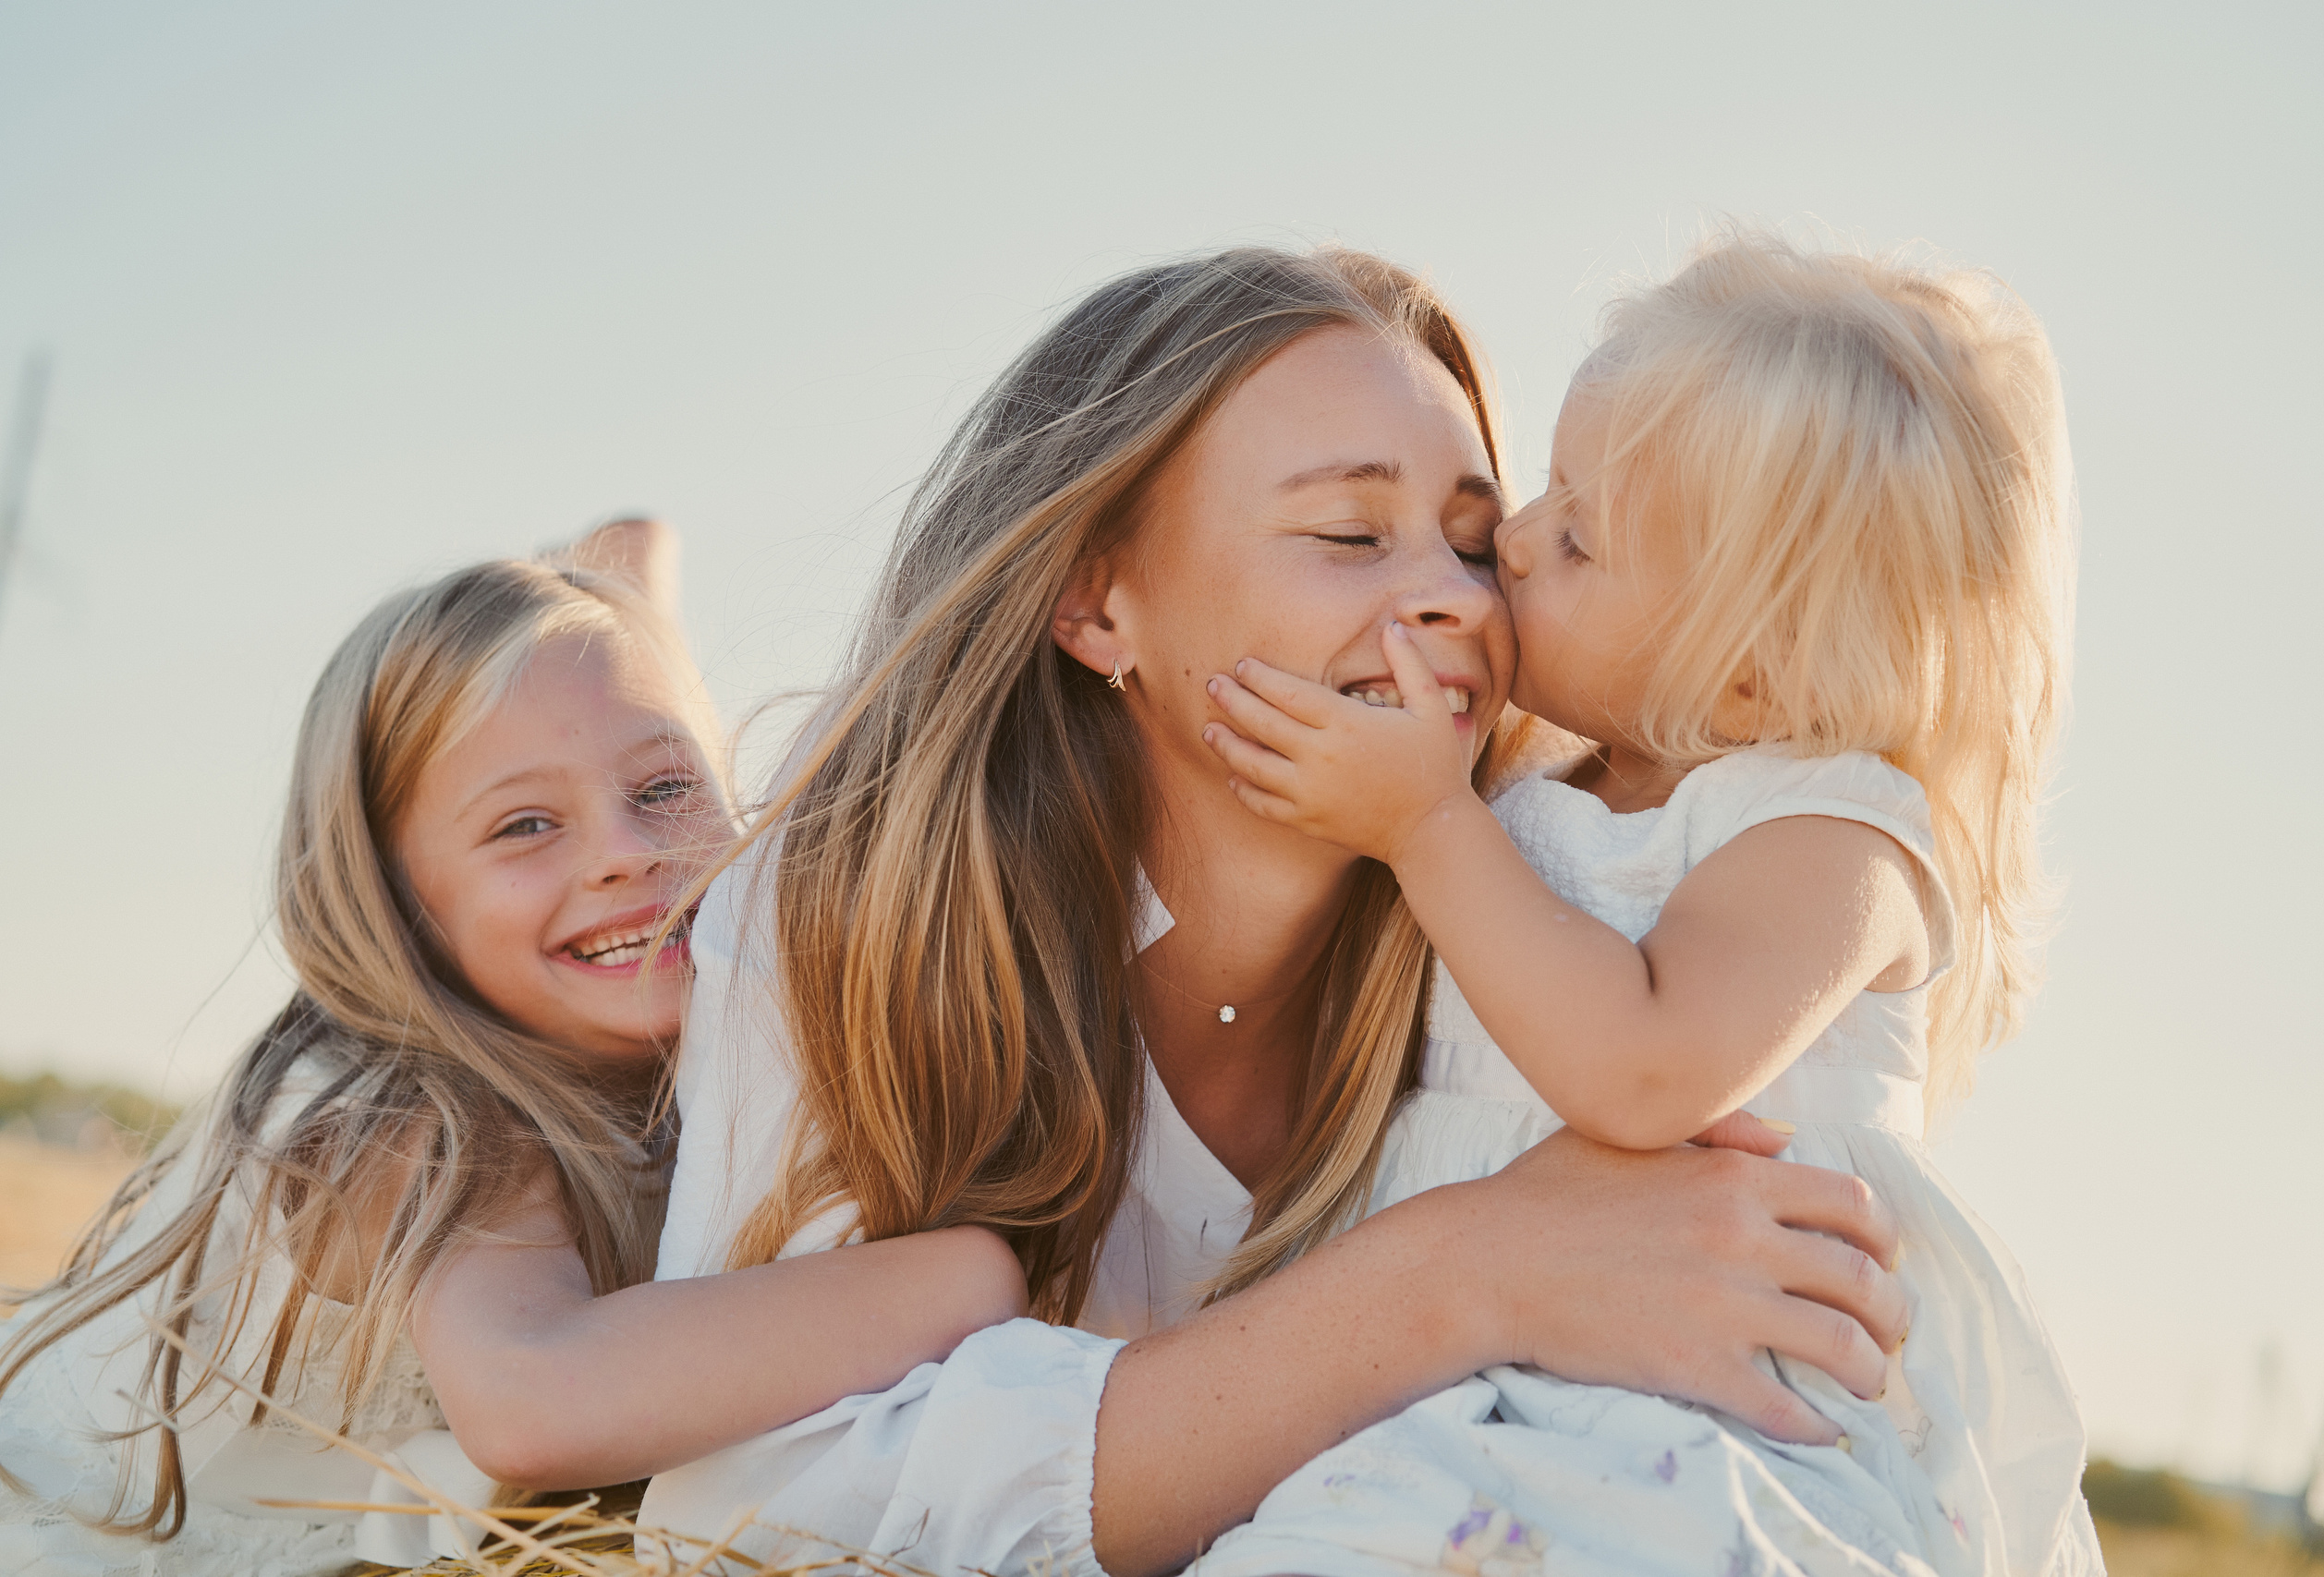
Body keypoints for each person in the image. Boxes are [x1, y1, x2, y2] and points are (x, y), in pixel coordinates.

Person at [643, 247, 1913, 1576]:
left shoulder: (1554, 912)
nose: (1451, 595)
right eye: (1350, 535)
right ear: (1095, 599)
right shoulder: (861, 914)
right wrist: (1464, 1271)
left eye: (1477, 544)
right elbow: (747, 1507)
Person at [1193, 235, 2102, 1575]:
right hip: (1454, 1389)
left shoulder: (1834, 834)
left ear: (1748, 675)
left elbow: (1643, 1068)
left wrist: (1422, 822)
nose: (1508, 538)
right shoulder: (1539, 798)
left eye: (1575, 532)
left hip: (1689, 1425)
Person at [0, 523, 1024, 1576]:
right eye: (526, 826)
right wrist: (977, 1277)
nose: (628, 854)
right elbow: (535, 1397)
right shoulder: (409, 1118)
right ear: (397, 907)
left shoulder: (695, 1056)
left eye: (668, 789)